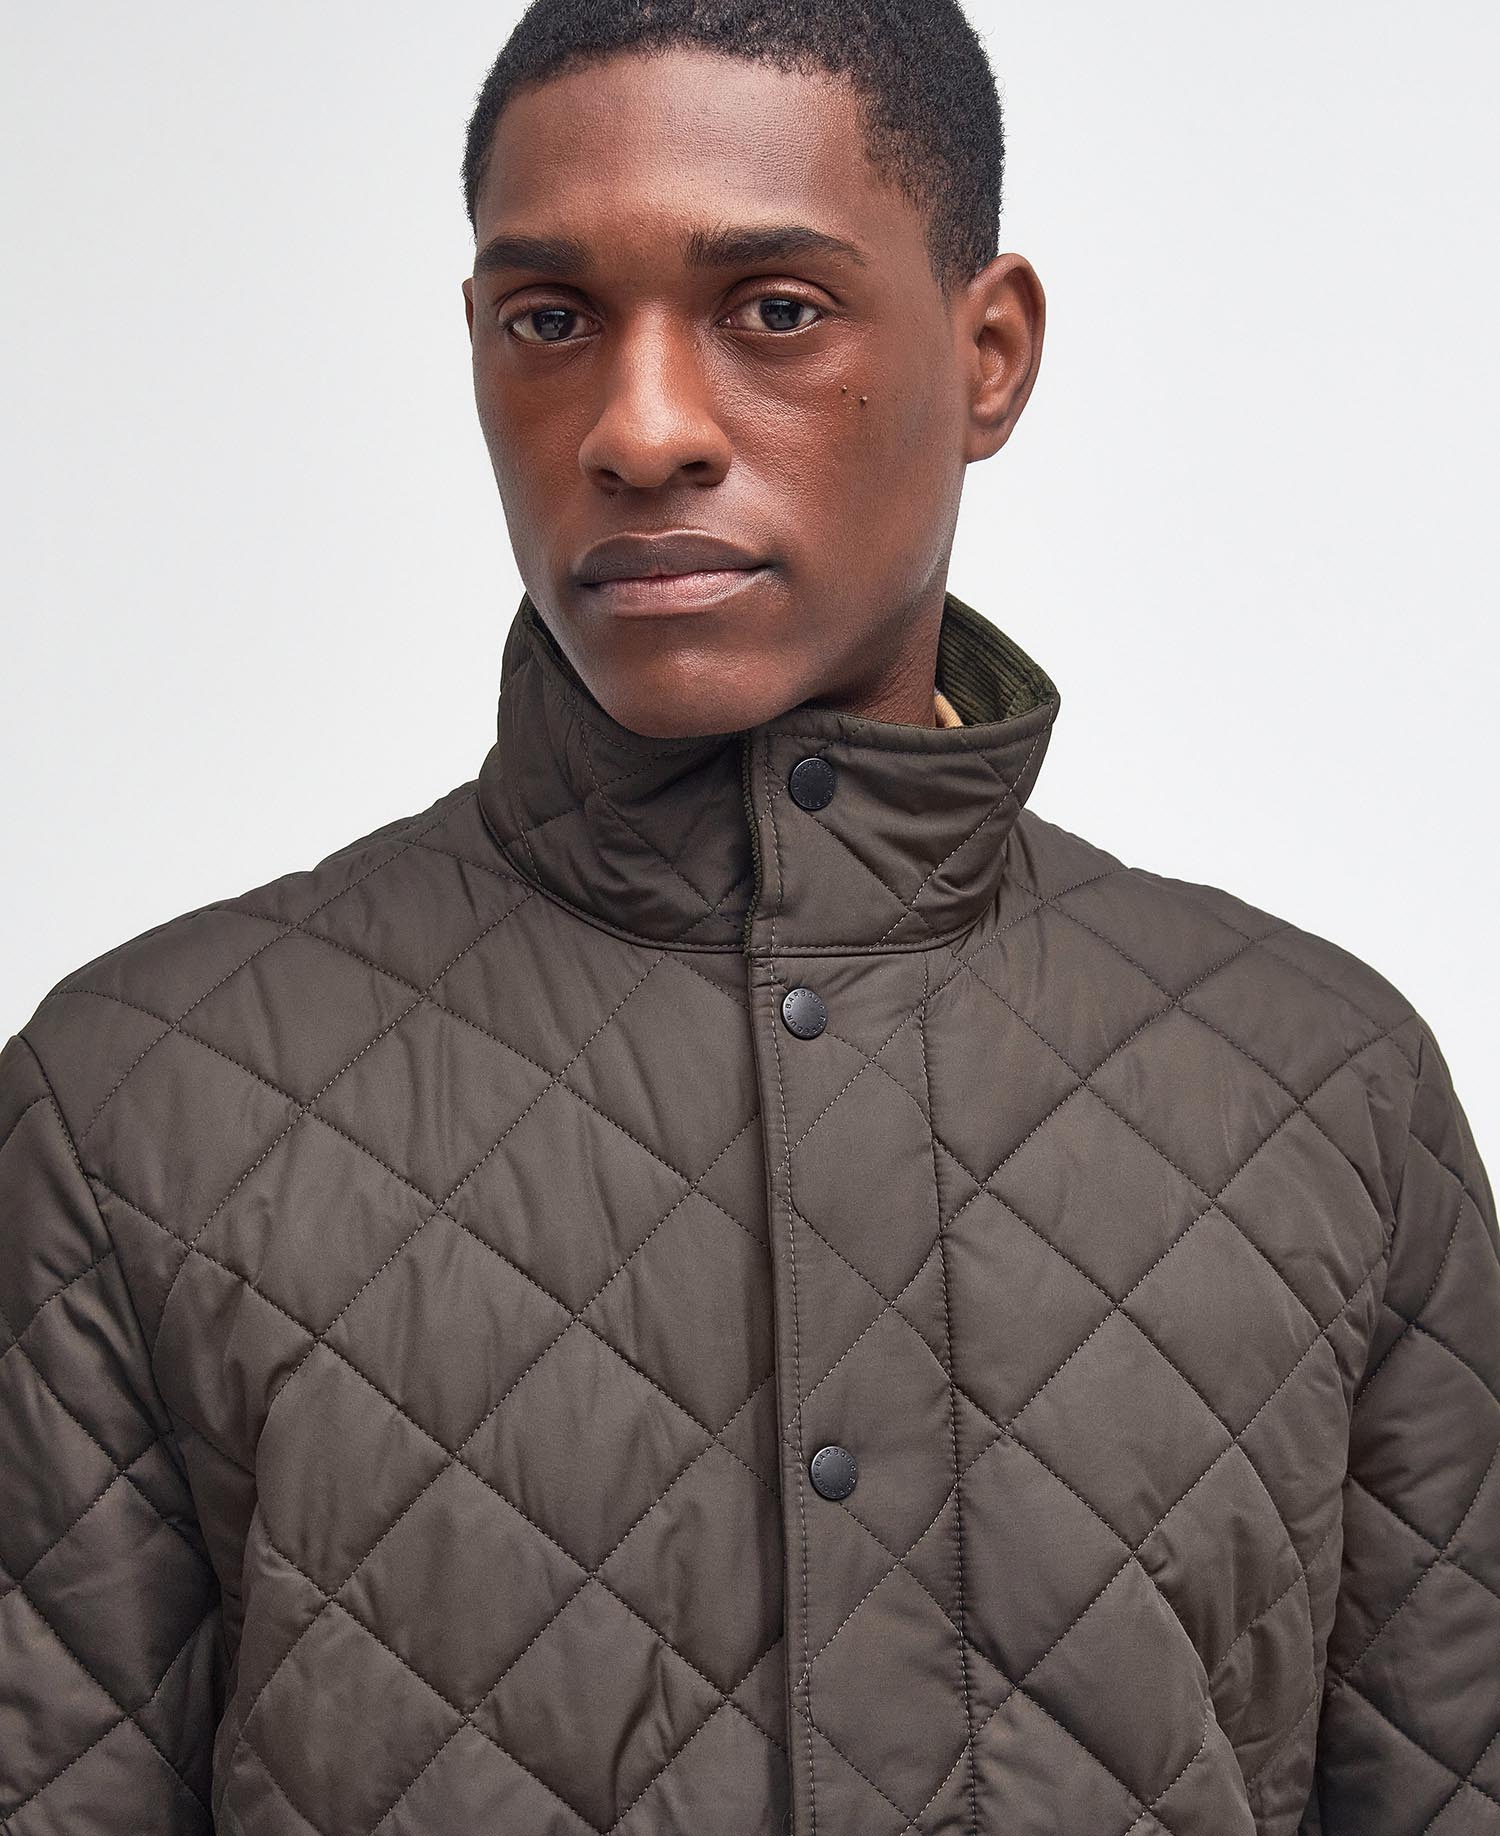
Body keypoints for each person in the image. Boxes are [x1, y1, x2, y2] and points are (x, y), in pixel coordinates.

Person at [2, 1, 1496, 1831]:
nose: (640, 430)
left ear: (992, 356)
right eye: (550, 320)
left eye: (774, 309)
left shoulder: (1327, 1099)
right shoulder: (133, 1113)